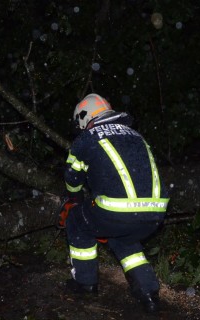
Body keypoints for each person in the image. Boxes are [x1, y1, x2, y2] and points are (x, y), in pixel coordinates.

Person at [61, 93, 169, 313]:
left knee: (75, 220)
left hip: (116, 211)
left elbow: (72, 178)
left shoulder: (87, 138)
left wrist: (75, 201)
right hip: (155, 213)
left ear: (84, 117)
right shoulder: (135, 135)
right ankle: (149, 294)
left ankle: (85, 283)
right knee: (123, 238)